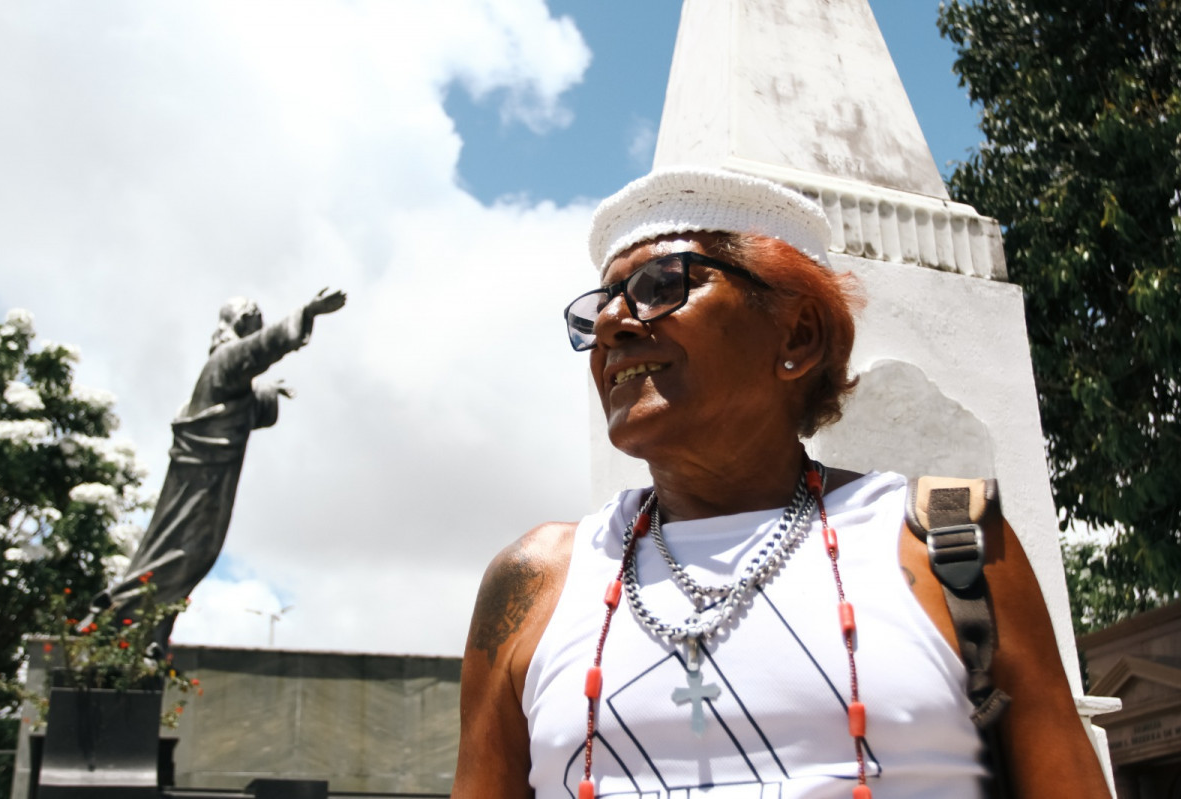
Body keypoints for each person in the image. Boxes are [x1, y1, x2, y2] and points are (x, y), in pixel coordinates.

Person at [451, 167, 1110, 798]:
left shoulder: (949, 532)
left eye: (660, 285)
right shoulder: (534, 581)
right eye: (602, 305)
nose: (610, 324)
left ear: (798, 332)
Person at [88, 288, 346, 650]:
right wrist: (308, 311)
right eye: (257, 320)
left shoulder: (224, 371)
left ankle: (144, 637)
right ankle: (121, 627)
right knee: (180, 556)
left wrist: (269, 392)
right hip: (199, 484)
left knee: (188, 558)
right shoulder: (224, 360)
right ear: (244, 321)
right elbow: (259, 350)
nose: (262, 326)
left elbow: (237, 402)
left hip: (208, 483)